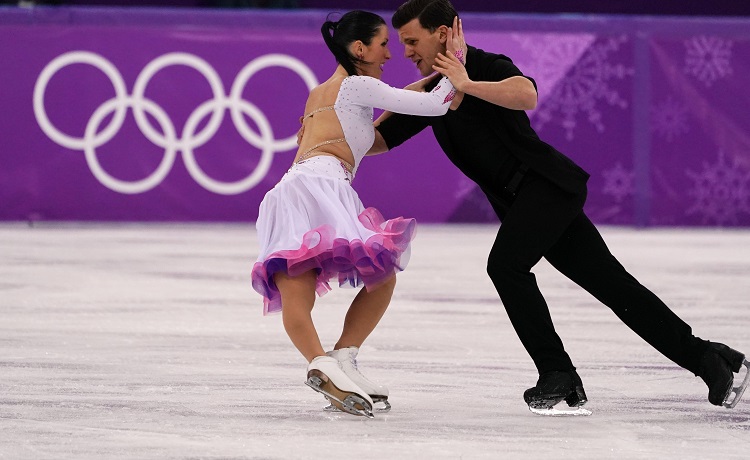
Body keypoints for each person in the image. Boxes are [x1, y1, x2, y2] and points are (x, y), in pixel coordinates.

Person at [372, 0, 749, 415]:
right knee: (615, 288)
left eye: (411, 40)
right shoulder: (430, 93)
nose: (406, 51)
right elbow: (379, 140)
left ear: (442, 33)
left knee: (505, 267)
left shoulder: (484, 65)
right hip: (526, 203)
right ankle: (708, 358)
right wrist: (331, 129)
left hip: (547, 188)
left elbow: (526, 94)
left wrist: (466, 83)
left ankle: (557, 372)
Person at [251, 10, 464, 417]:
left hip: (289, 189)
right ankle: (336, 360)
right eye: (384, 44)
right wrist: (458, 61)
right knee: (381, 274)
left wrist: (409, 92)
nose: (390, 54)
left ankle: (328, 362)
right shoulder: (360, 84)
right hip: (323, 186)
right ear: (359, 48)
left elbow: (365, 132)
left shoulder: (321, 92)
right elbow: (437, 106)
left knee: (301, 287)